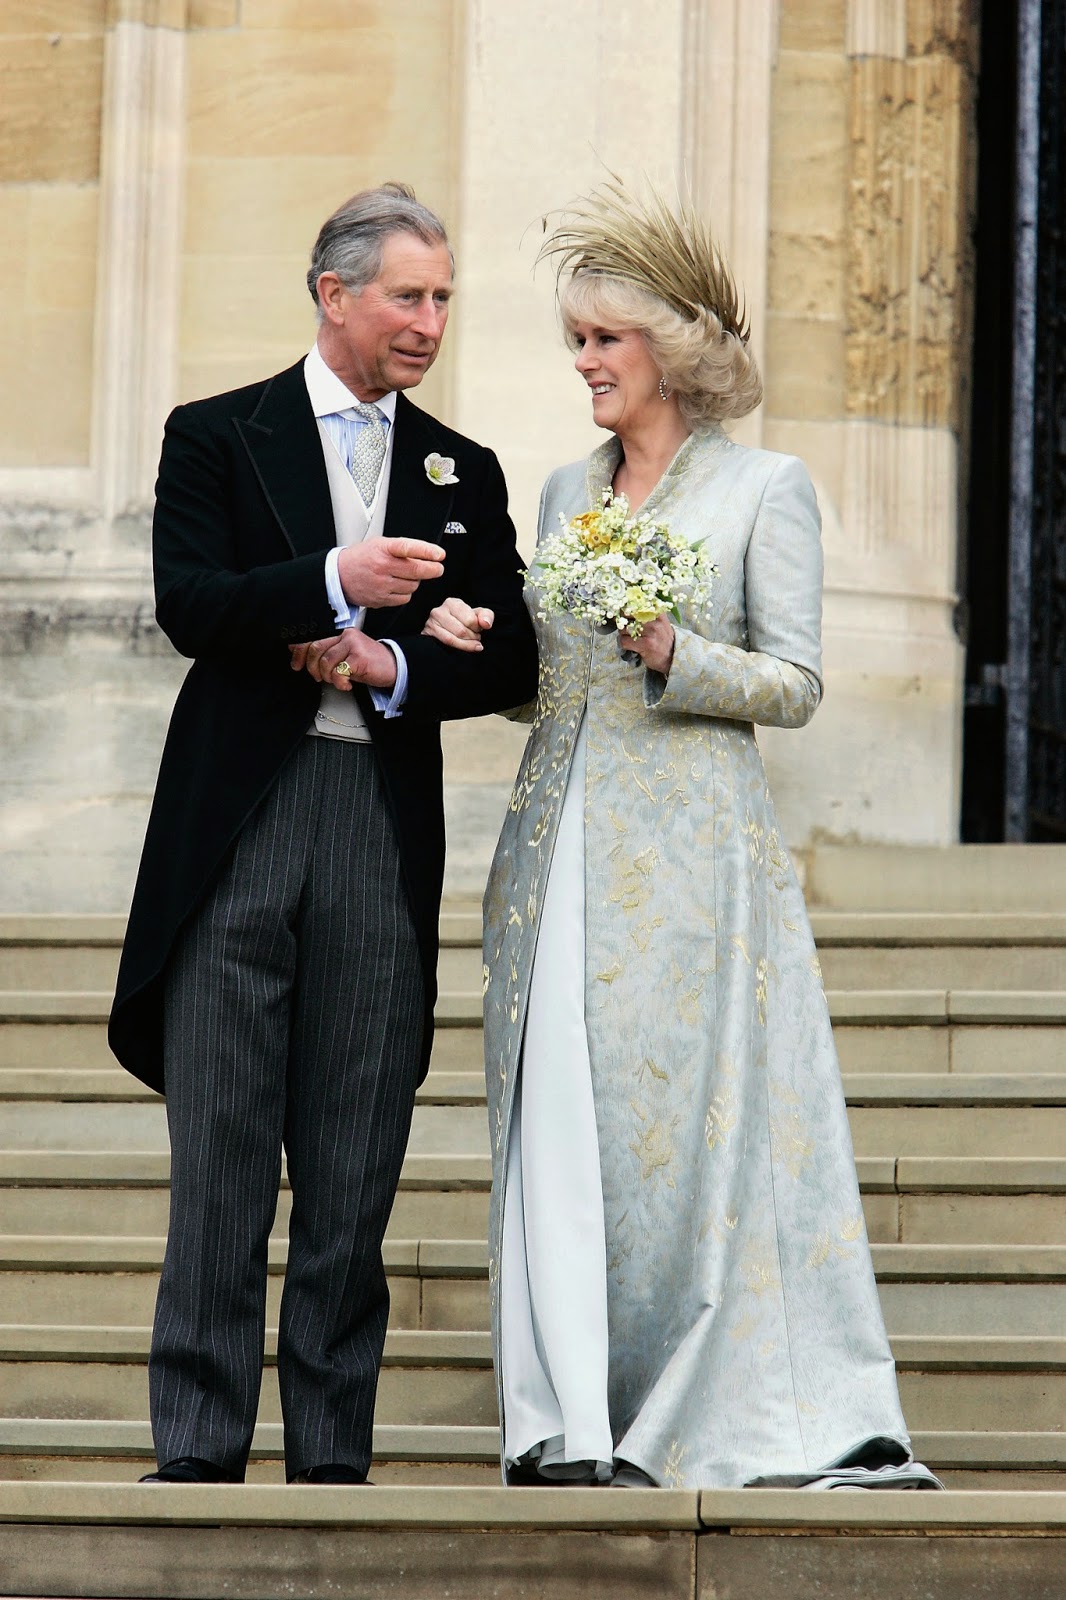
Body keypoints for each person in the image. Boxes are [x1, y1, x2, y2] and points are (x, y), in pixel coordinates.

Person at [422, 182, 940, 1491]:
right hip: (554, 849)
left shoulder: (765, 487)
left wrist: (674, 650)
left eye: (604, 340)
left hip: (696, 865)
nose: (585, 364)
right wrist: (470, 641)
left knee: (680, 1138)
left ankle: (684, 1396)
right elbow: (549, 677)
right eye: (575, 343)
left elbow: (796, 684)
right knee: (561, 1127)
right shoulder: (556, 491)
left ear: (674, 349)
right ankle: (566, 1417)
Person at [108, 183, 538, 1486]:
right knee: (223, 1162)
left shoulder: (466, 466)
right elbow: (190, 604)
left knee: (354, 1166)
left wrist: (395, 663)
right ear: (332, 294)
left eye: (443, 297)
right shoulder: (216, 435)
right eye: (407, 295)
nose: (428, 321)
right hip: (236, 826)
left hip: (374, 825)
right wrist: (329, 584)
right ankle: (195, 1454)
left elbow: (510, 648)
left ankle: (333, 1461)